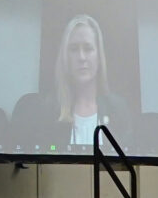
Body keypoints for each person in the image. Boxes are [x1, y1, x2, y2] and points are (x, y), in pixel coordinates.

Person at [52, 14, 131, 147]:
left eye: (88, 49)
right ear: (65, 57)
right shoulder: (51, 110)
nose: (82, 57)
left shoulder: (118, 109)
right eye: (74, 49)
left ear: (99, 56)